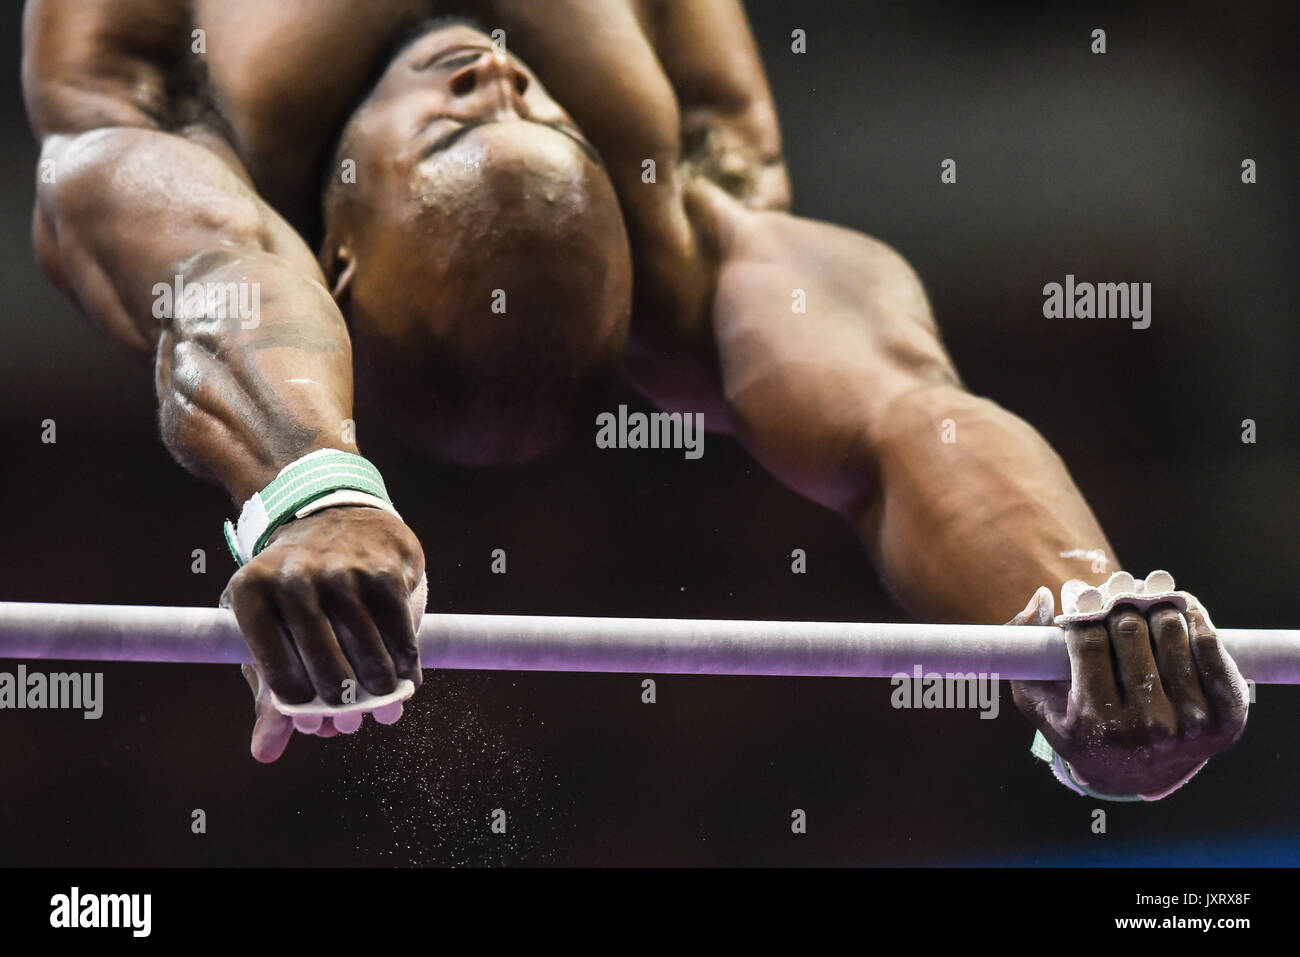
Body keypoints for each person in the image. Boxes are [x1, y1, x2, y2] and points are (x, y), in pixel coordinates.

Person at [24, 4, 1247, 798]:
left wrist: (310, 490)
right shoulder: (695, 208)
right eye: (521, 129)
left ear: (322, 252)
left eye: (492, 126)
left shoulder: (147, 105)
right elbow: (898, 416)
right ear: (330, 258)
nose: (500, 77)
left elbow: (213, 279)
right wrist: (1079, 620)